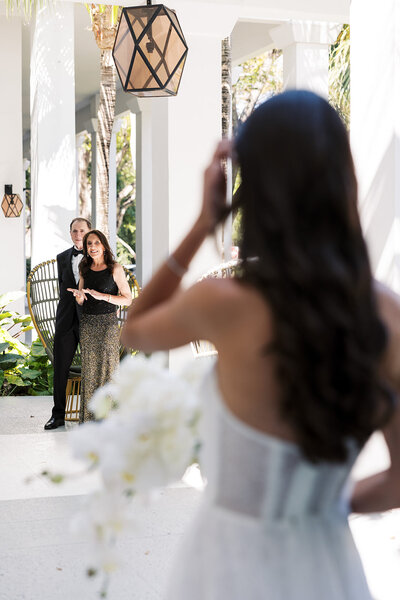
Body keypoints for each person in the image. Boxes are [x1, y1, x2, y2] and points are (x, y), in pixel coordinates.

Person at [120, 90, 400, 599]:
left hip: (228, 565)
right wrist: (326, 506)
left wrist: (204, 224)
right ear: (344, 180)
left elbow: (134, 328)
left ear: (257, 190)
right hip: (329, 568)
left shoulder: (225, 303)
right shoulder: (386, 315)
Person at [68, 230, 132, 423]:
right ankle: (89, 419)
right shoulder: (84, 267)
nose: (92, 247)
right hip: (87, 324)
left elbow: (128, 299)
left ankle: (110, 419)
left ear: (103, 245)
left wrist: (103, 296)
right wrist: (79, 297)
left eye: (96, 243)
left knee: (108, 370)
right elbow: (82, 298)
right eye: (89, 244)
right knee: (90, 370)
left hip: (107, 325)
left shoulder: (115, 268)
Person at [44, 217, 91, 430]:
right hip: (65, 320)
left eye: (82, 230)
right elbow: (63, 288)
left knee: (93, 368)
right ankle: (58, 415)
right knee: (60, 368)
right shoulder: (62, 257)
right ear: (70, 233)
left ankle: (92, 416)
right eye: (74, 231)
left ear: (89, 232)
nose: (78, 235)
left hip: (89, 320)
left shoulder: (99, 256)